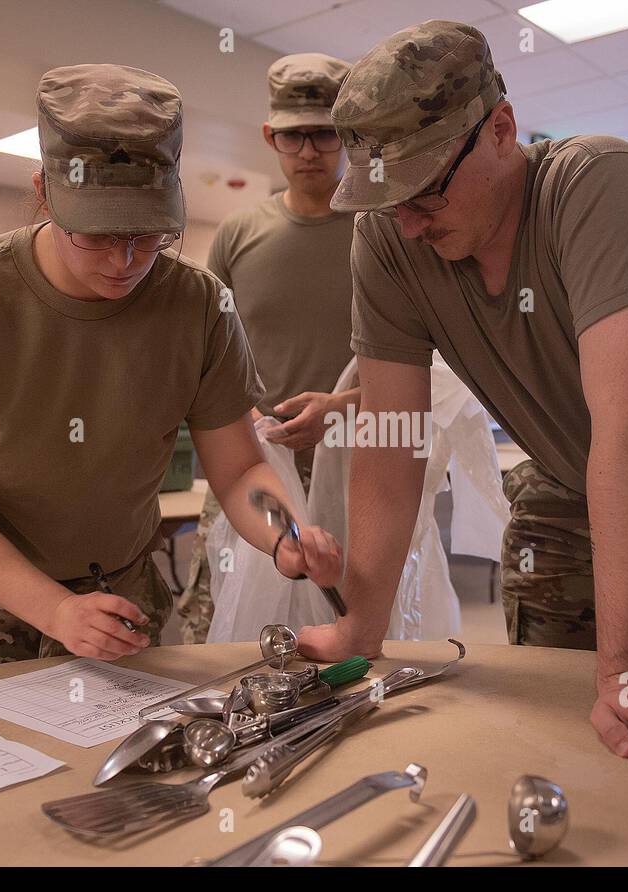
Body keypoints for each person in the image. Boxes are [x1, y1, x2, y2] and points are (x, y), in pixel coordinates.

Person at [297, 22, 628, 759]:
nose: (406, 223)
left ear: (500, 129)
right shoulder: (389, 237)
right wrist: (362, 625)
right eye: (384, 198)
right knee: (551, 713)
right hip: (564, 482)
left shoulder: (597, 184)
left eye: (425, 191)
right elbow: (392, 438)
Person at [0, 63, 340, 681]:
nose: (125, 262)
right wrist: (55, 609)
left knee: (107, 776)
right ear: (44, 194)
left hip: (113, 600)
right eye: (97, 235)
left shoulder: (198, 305)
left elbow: (240, 467)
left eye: (150, 238)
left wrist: (285, 533)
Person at [176, 53, 358, 643]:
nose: (308, 151)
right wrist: (247, 416)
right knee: (226, 623)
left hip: (358, 463)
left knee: (354, 620)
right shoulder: (238, 235)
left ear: (348, 133)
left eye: (325, 133)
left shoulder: (383, 232)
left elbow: (429, 366)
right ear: (269, 137)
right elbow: (207, 354)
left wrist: (342, 406)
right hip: (252, 458)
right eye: (291, 136)